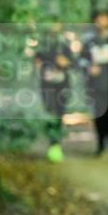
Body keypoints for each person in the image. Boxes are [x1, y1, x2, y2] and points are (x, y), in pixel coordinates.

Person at [81, 10, 108, 156]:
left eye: (104, 19)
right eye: (99, 19)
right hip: (94, 84)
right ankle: (100, 143)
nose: (102, 22)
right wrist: (89, 68)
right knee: (99, 114)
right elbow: (80, 60)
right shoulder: (88, 40)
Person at [34, 24, 75, 163]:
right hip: (47, 86)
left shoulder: (65, 45)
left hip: (62, 87)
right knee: (49, 113)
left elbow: (73, 63)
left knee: (59, 114)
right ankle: (52, 143)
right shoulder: (42, 45)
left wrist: (65, 63)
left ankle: (56, 144)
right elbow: (36, 62)